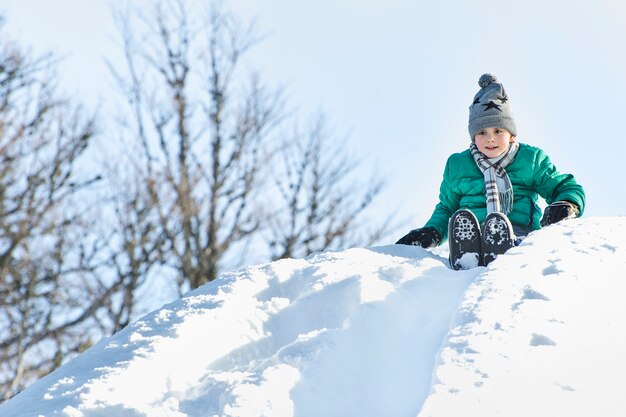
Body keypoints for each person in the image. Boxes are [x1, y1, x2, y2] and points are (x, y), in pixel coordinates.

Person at [396, 73, 586, 270]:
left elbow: (564, 185)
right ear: (473, 137)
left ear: (511, 135)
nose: (490, 139)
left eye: (498, 131)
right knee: (465, 222)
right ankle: (467, 255)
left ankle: (504, 247)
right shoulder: (458, 165)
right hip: (470, 234)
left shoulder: (530, 159)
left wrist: (567, 203)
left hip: (518, 233)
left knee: (512, 234)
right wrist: (432, 231)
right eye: (482, 132)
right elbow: (447, 207)